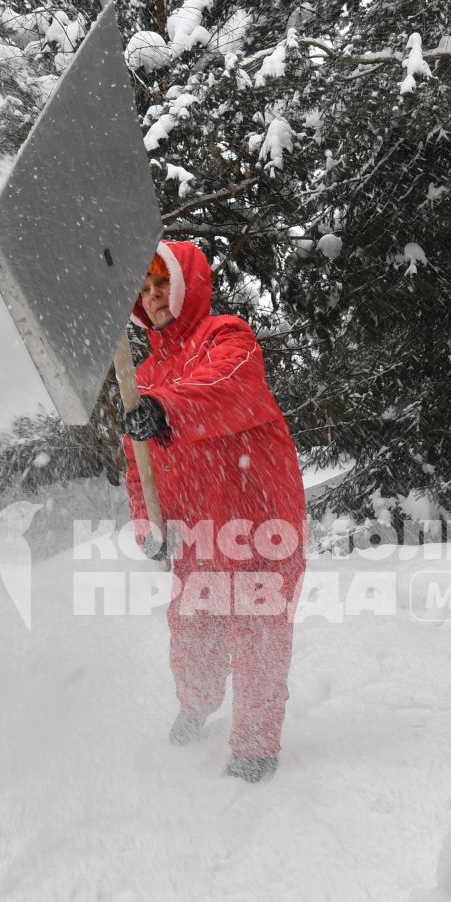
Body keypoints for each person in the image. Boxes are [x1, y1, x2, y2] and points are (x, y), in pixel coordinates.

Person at [123, 241, 307, 783]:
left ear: (184, 285)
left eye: (161, 284)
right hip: (195, 529)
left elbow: (228, 391)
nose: (153, 296)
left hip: (257, 522)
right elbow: (140, 467)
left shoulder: (227, 337)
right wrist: (148, 524)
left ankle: (255, 746)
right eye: (144, 290)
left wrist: (165, 409)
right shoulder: (144, 377)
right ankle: (197, 703)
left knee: (256, 636)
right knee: (191, 627)